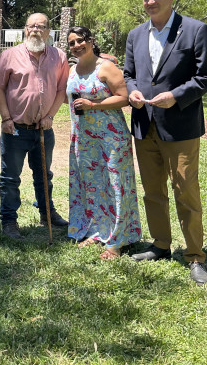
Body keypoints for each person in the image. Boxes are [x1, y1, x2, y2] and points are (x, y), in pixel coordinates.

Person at [124, 0, 207, 285]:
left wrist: (175, 96)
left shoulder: (195, 30)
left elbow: (206, 77)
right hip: (144, 124)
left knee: (185, 191)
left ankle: (194, 256)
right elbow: (129, 75)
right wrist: (133, 91)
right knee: (153, 191)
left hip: (180, 127)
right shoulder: (135, 35)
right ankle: (161, 245)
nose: (150, 2)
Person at [65, 26, 141, 260]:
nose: (77, 45)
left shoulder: (106, 67)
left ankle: (117, 241)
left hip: (111, 138)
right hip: (84, 138)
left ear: (91, 41)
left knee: (115, 185)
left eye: (81, 40)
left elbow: (124, 98)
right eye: (72, 43)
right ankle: (97, 232)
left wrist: (94, 105)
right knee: (92, 186)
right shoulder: (72, 70)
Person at [0, 13, 69, 239]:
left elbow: (60, 90)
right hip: (15, 128)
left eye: (41, 26)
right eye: (31, 26)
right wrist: (6, 118)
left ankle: (47, 214)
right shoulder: (9, 55)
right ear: (25, 30)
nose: (35, 30)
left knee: (44, 174)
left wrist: (51, 116)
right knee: (10, 178)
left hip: (44, 129)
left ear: (48, 31)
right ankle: (9, 221)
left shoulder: (59, 57)